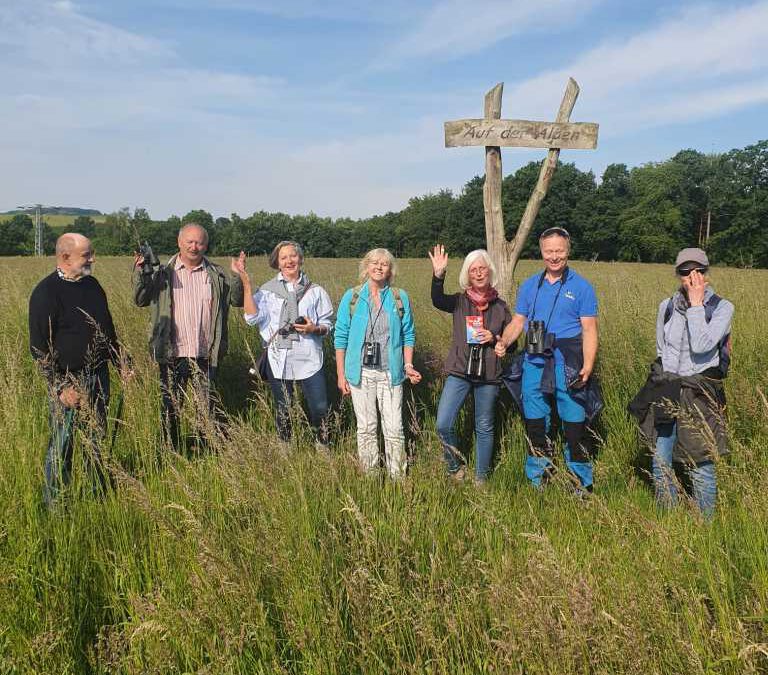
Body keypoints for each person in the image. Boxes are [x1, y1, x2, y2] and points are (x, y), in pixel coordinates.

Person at [628, 248, 733, 518]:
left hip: (699, 394)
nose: (691, 277)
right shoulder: (667, 306)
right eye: (685, 271)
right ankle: (670, 521)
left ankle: (705, 525)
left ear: (706, 273)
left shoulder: (722, 307)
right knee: (660, 460)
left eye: (697, 270)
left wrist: (697, 306)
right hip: (669, 388)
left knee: (701, 463)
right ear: (678, 274)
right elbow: (663, 349)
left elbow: (701, 345)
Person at [495, 227, 599, 493]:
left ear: (568, 251)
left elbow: (589, 329)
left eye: (559, 251)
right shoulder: (530, 285)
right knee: (536, 423)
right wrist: (504, 341)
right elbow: (519, 320)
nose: (554, 257)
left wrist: (588, 365)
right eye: (549, 251)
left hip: (569, 363)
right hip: (534, 361)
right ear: (541, 251)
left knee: (575, 424)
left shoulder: (582, 287)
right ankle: (538, 479)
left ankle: (581, 483)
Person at [29, 233, 128, 505]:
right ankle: (57, 505)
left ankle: (97, 496)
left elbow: (108, 332)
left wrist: (122, 364)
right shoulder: (45, 293)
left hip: (99, 376)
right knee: (63, 446)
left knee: (96, 440)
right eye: (86, 255)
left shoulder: (93, 286)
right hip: (69, 382)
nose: (92, 258)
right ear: (65, 257)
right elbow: (39, 349)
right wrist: (61, 388)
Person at [133, 223, 244, 449]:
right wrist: (141, 273)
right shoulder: (162, 273)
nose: (194, 247)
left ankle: (203, 448)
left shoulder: (218, 274)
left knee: (206, 406)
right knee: (170, 406)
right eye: (190, 242)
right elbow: (140, 300)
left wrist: (238, 276)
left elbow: (237, 300)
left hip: (206, 352)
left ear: (206, 245)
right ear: (179, 242)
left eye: (199, 242)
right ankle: (170, 450)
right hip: (172, 352)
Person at [231, 241, 334, 449]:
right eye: (283, 257)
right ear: (277, 263)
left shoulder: (316, 291)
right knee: (283, 408)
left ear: (301, 259)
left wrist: (314, 329)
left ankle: (322, 446)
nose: (289, 261)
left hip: (309, 358)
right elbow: (251, 318)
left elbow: (328, 324)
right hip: (279, 358)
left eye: (293, 256)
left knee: (320, 406)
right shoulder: (268, 291)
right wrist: (246, 282)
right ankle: (285, 448)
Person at [334, 249, 422, 477]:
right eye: (374, 262)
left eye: (384, 264)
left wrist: (408, 365)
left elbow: (408, 335)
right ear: (366, 266)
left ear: (391, 270)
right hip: (360, 373)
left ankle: (398, 478)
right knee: (366, 429)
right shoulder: (352, 297)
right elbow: (340, 336)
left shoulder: (399, 297)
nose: (379, 267)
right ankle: (370, 477)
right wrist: (341, 375)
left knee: (394, 429)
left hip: (390, 373)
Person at [429, 246, 512, 483]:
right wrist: (438, 275)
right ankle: (455, 468)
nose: (478, 273)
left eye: (482, 268)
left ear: (489, 272)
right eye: (473, 269)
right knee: (443, 423)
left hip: (489, 375)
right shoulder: (458, 301)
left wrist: (496, 339)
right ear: (467, 274)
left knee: (484, 427)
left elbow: (511, 344)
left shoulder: (501, 307)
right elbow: (437, 300)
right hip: (460, 370)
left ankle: (481, 478)